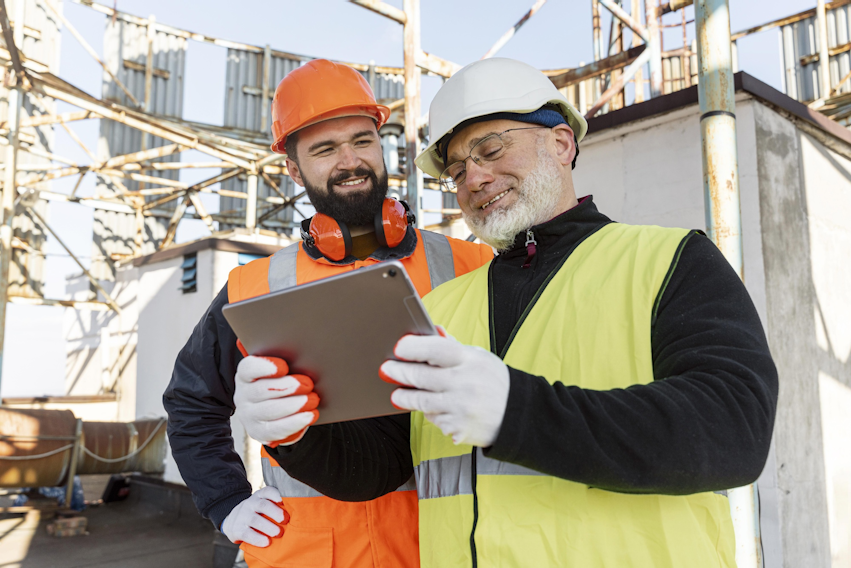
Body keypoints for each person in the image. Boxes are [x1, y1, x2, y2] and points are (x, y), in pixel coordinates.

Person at [241, 58, 779, 567]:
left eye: (492, 149)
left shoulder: (670, 259)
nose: (473, 179)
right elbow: (379, 466)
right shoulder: (444, 304)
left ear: (562, 142)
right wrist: (296, 432)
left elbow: (734, 430)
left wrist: (514, 411)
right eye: (456, 169)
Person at [163, 59, 493, 568]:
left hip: (442, 549)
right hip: (311, 554)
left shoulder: (472, 265)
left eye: (362, 140)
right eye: (324, 149)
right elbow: (191, 402)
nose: (350, 160)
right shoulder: (253, 286)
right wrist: (224, 501)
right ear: (293, 168)